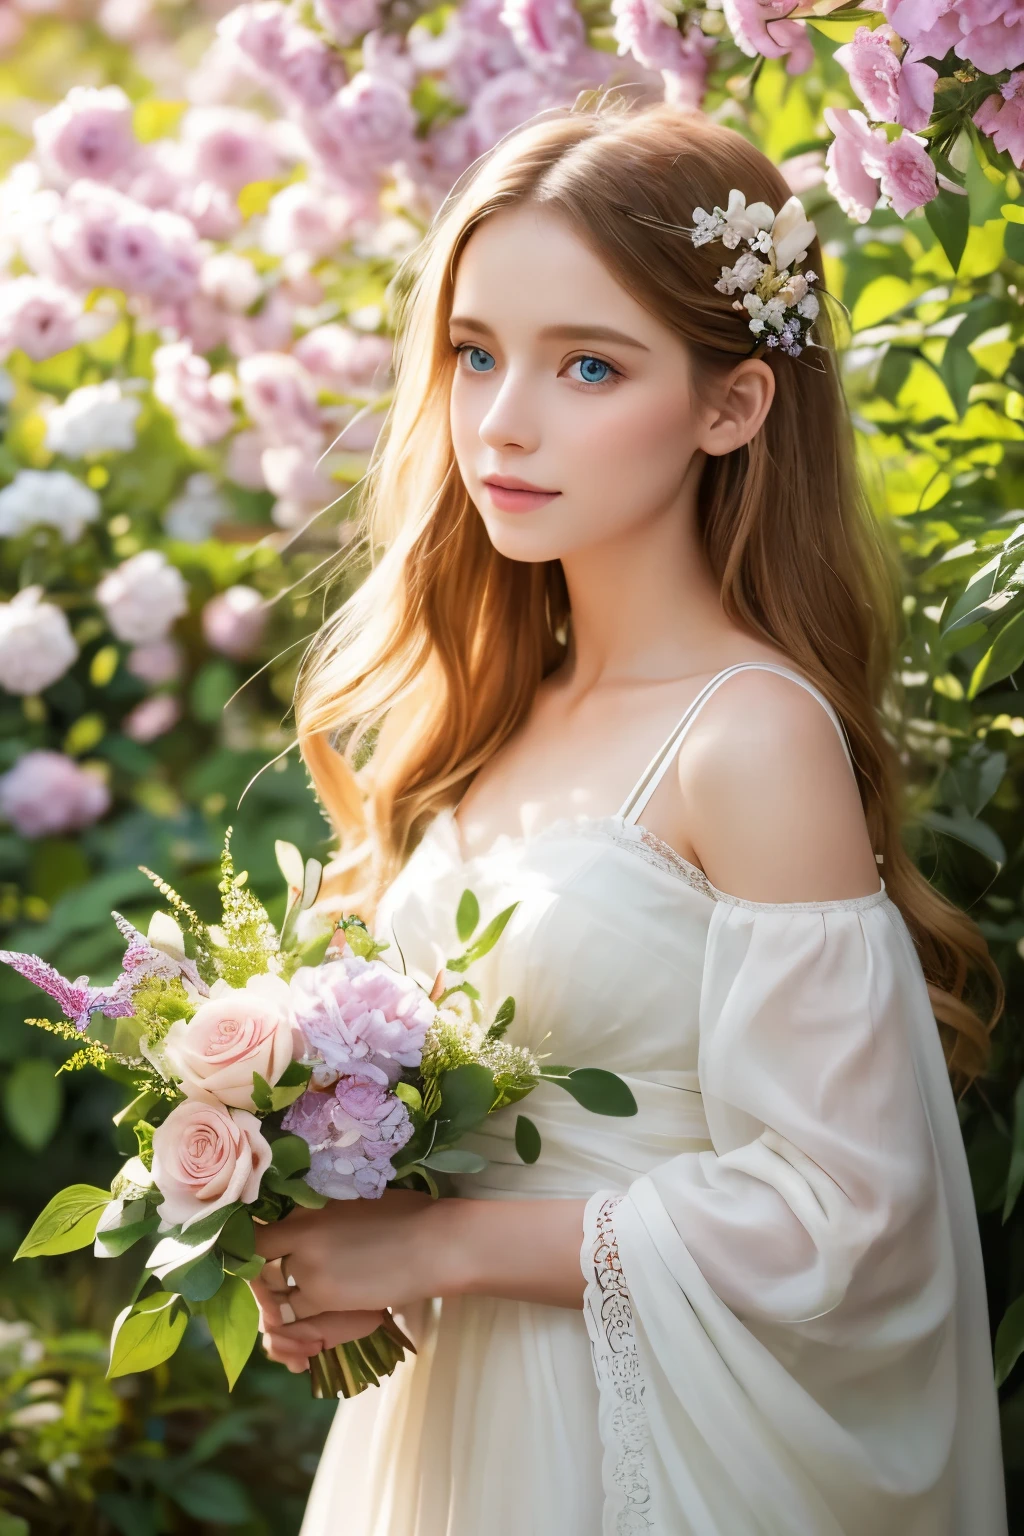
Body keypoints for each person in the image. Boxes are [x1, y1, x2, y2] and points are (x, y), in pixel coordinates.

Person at [252, 97, 1009, 1534]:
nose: (504, 421)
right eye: (475, 354)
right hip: (454, 1431)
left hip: (640, 1450)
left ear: (732, 405)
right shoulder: (484, 720)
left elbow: (846, 1217)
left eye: (588, 365)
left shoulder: (750, 737)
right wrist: (344, 1235)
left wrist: (444, 1243)